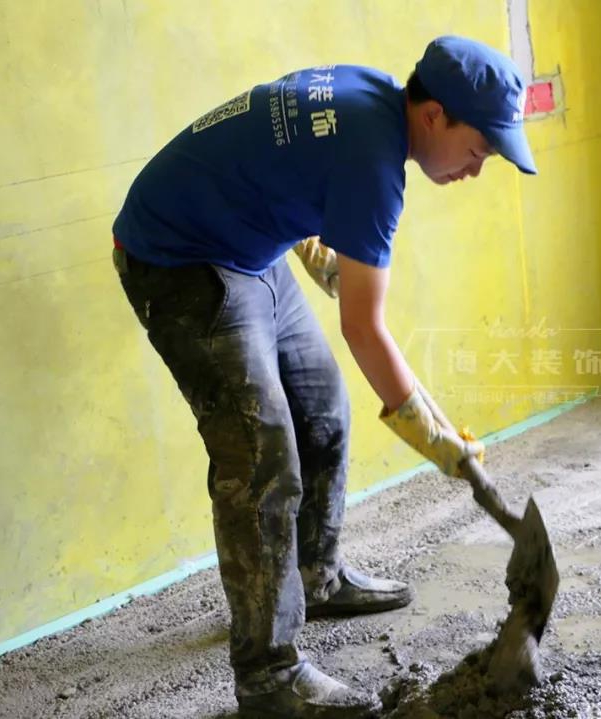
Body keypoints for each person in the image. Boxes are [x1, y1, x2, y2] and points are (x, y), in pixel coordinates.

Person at [110, 36, 536, 718]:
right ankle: (268, 675)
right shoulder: (376, 164)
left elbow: (281, 175)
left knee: (321, 405)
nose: (476, 170)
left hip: (249, 246)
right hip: (178, 256)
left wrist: (327, 264)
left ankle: (316, 573)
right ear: (434, 117)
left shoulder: (371, 96)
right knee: (260, 455)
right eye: (479, 150)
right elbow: (366, 331)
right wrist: (443, 448)